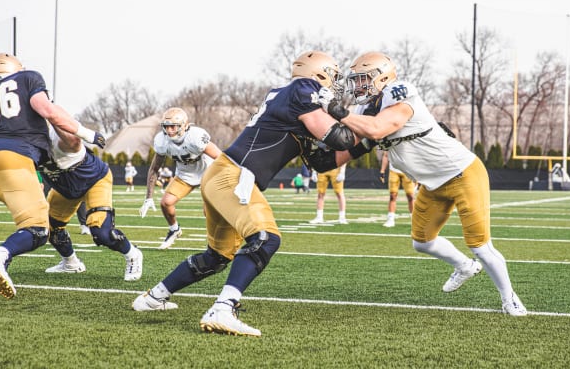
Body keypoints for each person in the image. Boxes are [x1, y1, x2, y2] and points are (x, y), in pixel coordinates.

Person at [132, 50, 363, 336]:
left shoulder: (295, 103)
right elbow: (339, 137)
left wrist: (364, 144)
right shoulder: (303, 88)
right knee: (265, 238)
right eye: (333, 76)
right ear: (318, 73)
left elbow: (323, 162)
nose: (335, 83)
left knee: (217, 256)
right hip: (233, 176)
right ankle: (222, 308)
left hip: (224, 175)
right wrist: (367, 127)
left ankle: (153, 297)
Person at [323, 51, 527, 316]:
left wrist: (335, 110)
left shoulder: (400, 91)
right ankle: (464, 266)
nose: (358, 85)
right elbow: (347, 140)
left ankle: (509, 297)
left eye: (363, 79)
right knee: (422, 242)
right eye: (357, 80)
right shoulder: (363, 109)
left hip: (462, 173)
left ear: (382, 77)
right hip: (432, 184)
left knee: (480, 246)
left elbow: (378, 128)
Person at [0, 53, 105, 299]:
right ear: (16, 68)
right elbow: (48, 111)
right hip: (13, 158)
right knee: (38, 229)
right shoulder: (27, 78)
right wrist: (87, 133)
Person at [40, 126, 143, 281]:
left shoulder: (57, 135)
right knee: (48, 227)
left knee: (102, 232)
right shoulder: (21, 139)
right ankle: (71, 263)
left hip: (94, 180)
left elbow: (72, 136)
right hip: (65, 187)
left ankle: (133, 254)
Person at [139, 107, 222, 249]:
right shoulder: (162, 140)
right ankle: (174, 230)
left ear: (184, 125)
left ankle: (215, 241)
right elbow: (154, 169)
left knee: (207, 210)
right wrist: (148, 197)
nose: (170, 130)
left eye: (174, 126)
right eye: (166, 126)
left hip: (208, 173)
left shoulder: (195, 137)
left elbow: (220, 157)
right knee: (166, 203)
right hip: (185, 175)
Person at [379, 150, 415, 228]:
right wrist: (382, 170)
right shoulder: (390, 139)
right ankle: (390, 219)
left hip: (407, 171)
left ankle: (414, 220)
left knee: (411, 196)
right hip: (394, 170)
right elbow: (386, 155)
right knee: (392, 196)